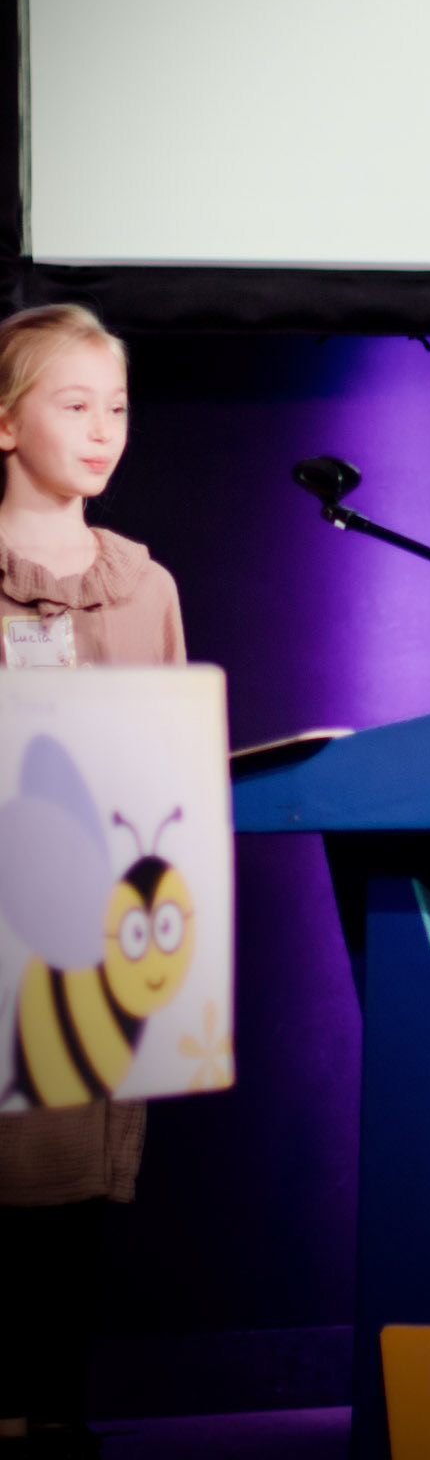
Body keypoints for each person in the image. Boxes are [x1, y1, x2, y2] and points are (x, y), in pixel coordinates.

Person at [0, 304, 185, 1457]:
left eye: (116, 405)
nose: (103, 426)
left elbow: (169, 758)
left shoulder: (142, 582)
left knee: (75, 1186)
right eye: (74, 403)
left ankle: (55, 1408)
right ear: (4, 421)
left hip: (95, 945)